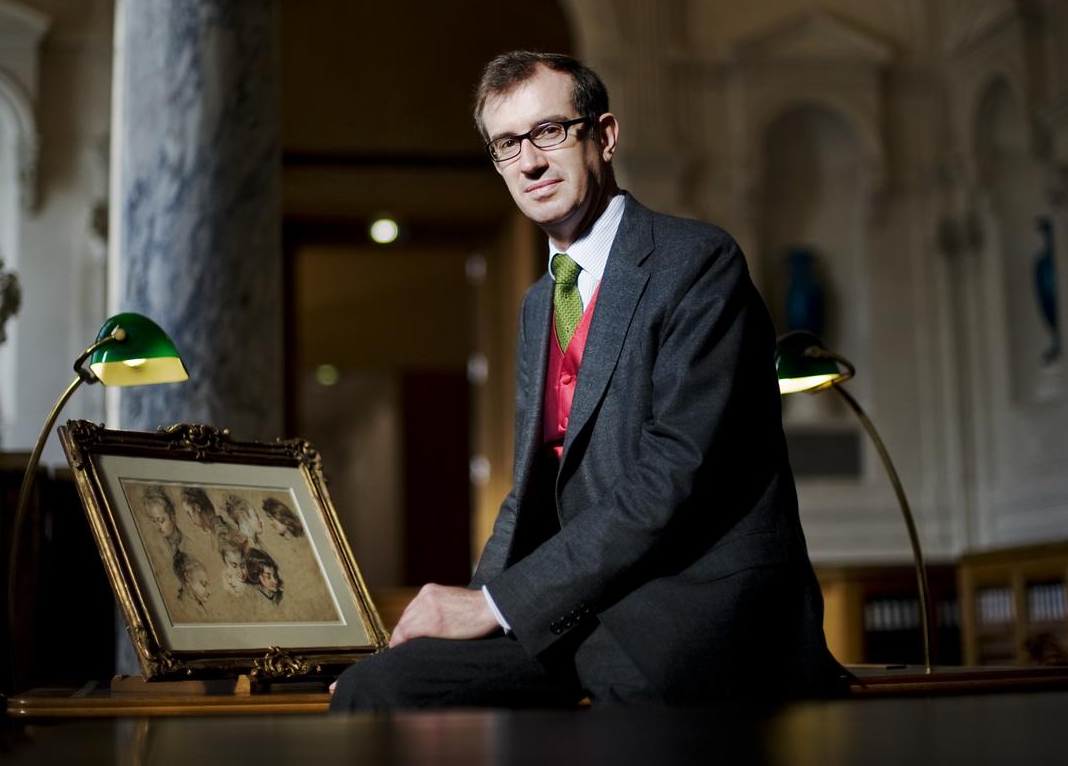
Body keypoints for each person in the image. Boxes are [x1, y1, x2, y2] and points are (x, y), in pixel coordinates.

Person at [330, 52, 843, 710]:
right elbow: (529, 494)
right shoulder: (536, 304)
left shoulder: (696, 263)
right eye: (507, 144)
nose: (530, 162)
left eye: (550, 131)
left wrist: (494, 603)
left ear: (605, 135)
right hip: (581, 614)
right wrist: (463, 618)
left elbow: (674, 474)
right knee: (377, 691)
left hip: (690, 617)